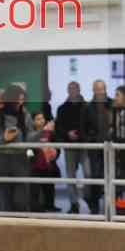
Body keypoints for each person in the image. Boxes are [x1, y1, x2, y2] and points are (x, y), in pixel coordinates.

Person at [0, 83, 35, 213]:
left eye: (22, 99)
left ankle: (21, 223)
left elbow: (30, 137)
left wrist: (42, 133)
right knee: (2, 199)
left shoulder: (26, 114)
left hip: (21, 159)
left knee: (21, 200)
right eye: (18, 99)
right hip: (2, 159)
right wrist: (4, 138)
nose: (21, 102)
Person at [55, 81, 88, 214]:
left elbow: (90, 125)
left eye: (75, 88)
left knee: (89, 173)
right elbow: (59, 127)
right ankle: (74, 204)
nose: (72, 91)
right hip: (69, 145)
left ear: (79, 90)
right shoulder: (62, 108)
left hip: (85, 145)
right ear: (67, 90)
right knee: (70, 176)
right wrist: (67, 134)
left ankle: (89, 199)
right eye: (70, 88)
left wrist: (81, 133)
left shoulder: (87, 107)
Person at [81, 80, 113, 214]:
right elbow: (83, 129)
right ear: (93, 90)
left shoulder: (113, 104)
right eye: (97, 89)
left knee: (111, 177)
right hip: (95, 149)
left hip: (111, 149)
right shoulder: (87, 108)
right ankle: (94, 205)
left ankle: (110, 207)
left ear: (105, 89)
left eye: (102, 89)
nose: (100, 92)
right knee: (95, 176)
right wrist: (90, 140)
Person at [29, 112, 61, 213]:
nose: (41, 121)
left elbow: (57, 147)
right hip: (35, 166)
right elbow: (28, 149)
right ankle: (36, 208)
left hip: (48, 165)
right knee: (35, 189)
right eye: (38, 119)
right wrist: (31, 159)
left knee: (49, 187)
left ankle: (50, 205)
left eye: (42, 118)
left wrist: (54, 155)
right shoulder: (31, 134)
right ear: (33, 122)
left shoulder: (50, 132)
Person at [111, 85, 125, 208]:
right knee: (118, 184)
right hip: (117, 153)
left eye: (117, 95)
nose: (115, 98)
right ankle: (120, 209)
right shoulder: (115, 111)